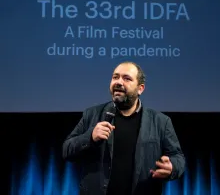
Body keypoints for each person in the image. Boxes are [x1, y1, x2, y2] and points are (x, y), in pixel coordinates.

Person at [62, 61, 185, 195]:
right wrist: (90, 137)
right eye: (115, 77)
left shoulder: (160, 121)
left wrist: (172, 167)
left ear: (140, 88)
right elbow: (67, 150)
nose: (119, 82)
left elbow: (178, 157)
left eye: (127, 79)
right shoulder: (92, 114)